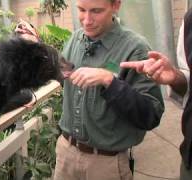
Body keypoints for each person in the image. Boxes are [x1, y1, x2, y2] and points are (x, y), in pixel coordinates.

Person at [16, 0, 164, 179]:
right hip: (66, 154)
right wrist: (36, 47)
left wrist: (109, 81)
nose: (86, 20)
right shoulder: (76, 38)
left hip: (105, 163)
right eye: (81, 10)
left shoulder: (135, 48)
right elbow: (64, 75)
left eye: (96, 11)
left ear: (116, 5)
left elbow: (151, 115)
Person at [120, 8, 192, 180]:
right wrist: (176, 77)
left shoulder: (135, 44)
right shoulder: (189, 20)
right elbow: (188, 82)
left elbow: (150, 113)